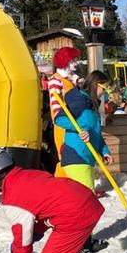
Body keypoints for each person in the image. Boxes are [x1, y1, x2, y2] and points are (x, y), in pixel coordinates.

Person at [53, 70, 113, 253]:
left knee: (85, 202)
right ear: (96, 84)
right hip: (75, 157)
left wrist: (105, 150)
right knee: (85, 203)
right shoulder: (79, 100)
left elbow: (96, 134)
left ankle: (86, 241)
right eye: (105, 88)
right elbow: (59, 118)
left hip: (87, 159)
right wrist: (78, 129)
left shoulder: (93, 106)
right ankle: (78, 245)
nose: (106, 92)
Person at [47, 46, 81, 176]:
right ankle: (60, 183)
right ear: (65, 61)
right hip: (64, 124)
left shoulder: (70, 80)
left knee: (75, 155)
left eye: (76, 60)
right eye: (73, 60)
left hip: (74, 122)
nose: (76, 63)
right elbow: (55, 106)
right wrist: (63, 121)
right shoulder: (55, 80)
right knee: (65, 156)